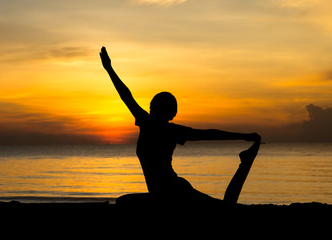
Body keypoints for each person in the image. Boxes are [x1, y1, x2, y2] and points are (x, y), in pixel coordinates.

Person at [100, 46, 261, 206]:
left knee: (227, 207)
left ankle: (246, 162)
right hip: (161, 194)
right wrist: (109, 69)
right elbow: (126, 95)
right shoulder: (147, 122)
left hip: (176, 191)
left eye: (153, 104)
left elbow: (209, 134)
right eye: (151, 104)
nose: (149, 106)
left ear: (167, 112)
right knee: (123, 202)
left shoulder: (166, 129)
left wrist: (243, 136)